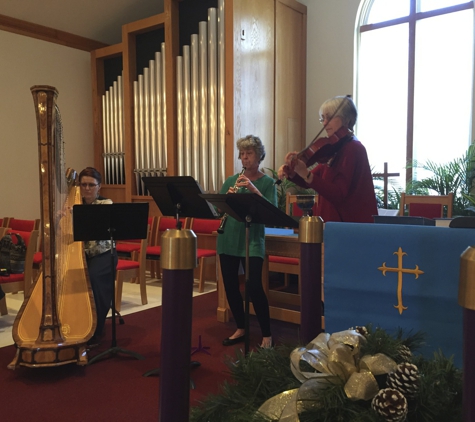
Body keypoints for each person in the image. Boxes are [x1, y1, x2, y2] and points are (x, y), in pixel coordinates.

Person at [217, 135, 277, 349]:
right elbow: (218, 210)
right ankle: (241, 327)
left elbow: (271, 212)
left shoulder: (268, 183)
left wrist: (253, 189)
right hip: (228, 238)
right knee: (231, 286)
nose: (244, 158)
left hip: (252, 239)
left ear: (259, 155)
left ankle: (267, 334)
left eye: (249, 154)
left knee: (253, 287)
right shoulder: (231, 181)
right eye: (242, 154)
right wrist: (227, 200)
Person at [278, 95, 377, 223]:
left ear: (346, 120)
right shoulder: (334, 148)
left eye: (329, 118)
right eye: (323, 119)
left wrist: (306, 174)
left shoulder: (353, 148)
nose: (325, 123)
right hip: (333, 224)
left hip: (349, 225)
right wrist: (293, 173)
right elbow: (310, 180)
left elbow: (338, 194)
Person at [78, 167, 117, 347]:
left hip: (104, 254)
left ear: (99, 187)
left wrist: (72, 214)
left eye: (91, 185)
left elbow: (92, 222)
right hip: (81, 254)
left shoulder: (105, 204)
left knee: (94, 278)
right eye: (83, 184)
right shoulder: (74, 204)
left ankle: (96, 328)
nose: (87, 188)